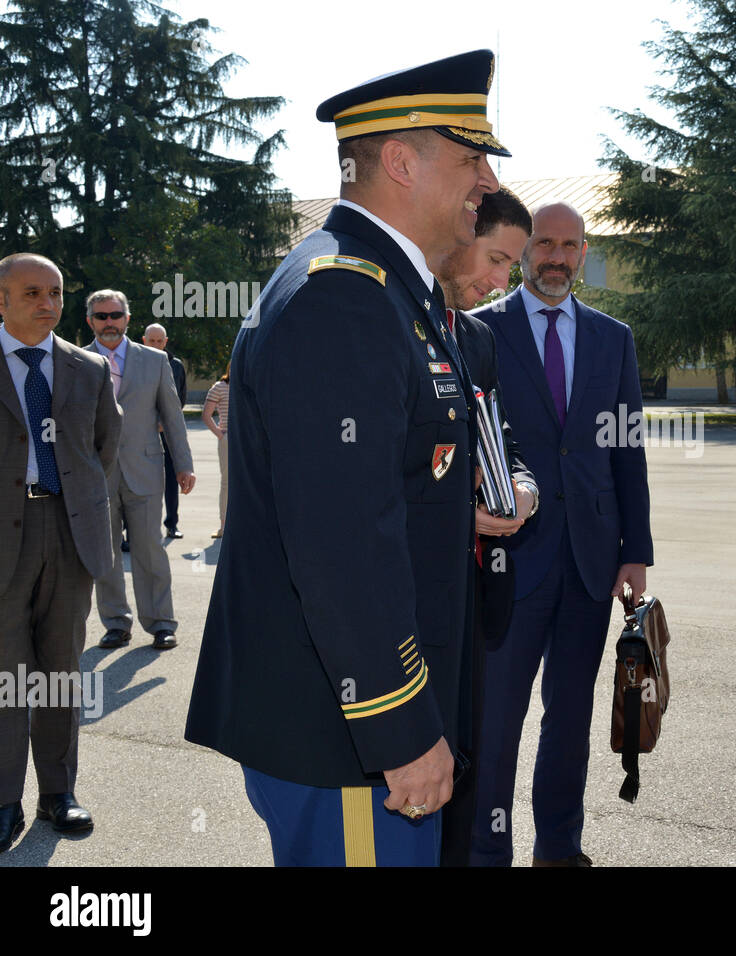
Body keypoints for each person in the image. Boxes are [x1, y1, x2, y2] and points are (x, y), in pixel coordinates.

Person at [184, 49, 507, 867]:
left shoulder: (388, 288)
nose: (488, 184)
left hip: (352, 725)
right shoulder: (345, 295)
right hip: (352, 743)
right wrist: (400, 728)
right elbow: (340, 543)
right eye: (471, 160)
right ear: (400, 162)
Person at [468, 200, 653, 867]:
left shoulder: (613, 338)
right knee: (496, 724)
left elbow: (626, 450)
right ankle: (488, 854)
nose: (555, 256)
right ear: (524, 251)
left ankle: (559, 849)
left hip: (590, 562)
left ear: (583, 251)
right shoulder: (479, 330)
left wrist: (636, 552)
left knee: (569, 722)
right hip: (509, 560)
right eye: (543, 243)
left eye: (569, 245)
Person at [432, 186, 538, 866]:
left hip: (474, 597)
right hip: (411, 608)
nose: (502, 281)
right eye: (496, 259)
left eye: (512, 266)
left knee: (464, 775)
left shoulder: (475, 337)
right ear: (460, 231)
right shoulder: (391, 321)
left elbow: (503, 443)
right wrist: (451, 510)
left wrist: (522, 489)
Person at [0, 253, 120, 849]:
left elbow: (103, 449)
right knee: (8, 676)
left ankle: (58, 794)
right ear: (1, 300)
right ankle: (3, 801)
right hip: (4, 539)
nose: (47, 303)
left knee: (60, 675)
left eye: (55, 292)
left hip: (71, 535)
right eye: (31, 293)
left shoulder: (88, 368)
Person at [87, 291, 195, 651]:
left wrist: (184, 464)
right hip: (95, 473)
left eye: (116, 315)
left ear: (127, 319)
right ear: (91, 321)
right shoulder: (77, 361)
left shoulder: (154, 360)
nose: (109, 322)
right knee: (107, 551)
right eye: (101, 316)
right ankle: (116, 622)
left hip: (145, 468)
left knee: (150, 549)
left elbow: (172, 415)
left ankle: (161, 622)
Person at [141, 323, 186, 539]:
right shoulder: (135, 364)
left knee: (171, 479)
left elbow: (181, 398)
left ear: (165, 342)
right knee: (139, 481)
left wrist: (165, 422)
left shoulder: (176, 366)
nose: (156, 345)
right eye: (152, 341)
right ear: (144, 340)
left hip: (168, 435)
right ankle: (134, 528)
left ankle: (172, 524)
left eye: (160, 341)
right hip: (141, 434)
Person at [201, 364, 230, 538]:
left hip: (249, 439)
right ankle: (224, 526)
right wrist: (220, 435)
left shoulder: (249, 385)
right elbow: (206, 414)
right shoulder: (219, 388)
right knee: (227, 483)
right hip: (228, 438)